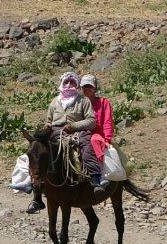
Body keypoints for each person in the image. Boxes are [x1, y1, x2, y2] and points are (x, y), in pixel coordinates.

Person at [26, 72, 102, 214]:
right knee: (37, 153)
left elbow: (91, 121)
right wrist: (47, 127)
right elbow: (49, 120)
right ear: (61, 84)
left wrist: (74, 126)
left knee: (87, 150)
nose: (69, 85)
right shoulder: (55, 101)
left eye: (72, 82)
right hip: (55, 133)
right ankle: (36, 196)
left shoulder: (83, 101)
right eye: (66, 82)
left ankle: (95, 180)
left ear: (76, 85)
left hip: (78, 133)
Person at [80, 74, 114, 164]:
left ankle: (99, 168)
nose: (87, 88)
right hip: (81, 133)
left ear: (95, 88)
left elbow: (107, 122)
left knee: (95, 140)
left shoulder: (104, 103)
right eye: (84, 86)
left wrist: (107, 139)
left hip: (97, 133)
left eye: (89, 86)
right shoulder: (77, 103)